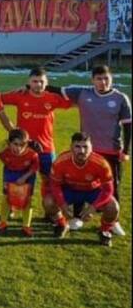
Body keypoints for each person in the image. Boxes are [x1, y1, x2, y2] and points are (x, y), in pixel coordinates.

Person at [53, 65, 130, 231]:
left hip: (110, 150)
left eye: (106, 79)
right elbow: (58, 90)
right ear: (92, 80)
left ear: (112, 79)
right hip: (86, 149)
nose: (103, 82)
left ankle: (112, 221)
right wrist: (30, 87)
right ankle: (77, 217)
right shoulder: (82, 92)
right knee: (80, 182)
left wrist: (126, 151)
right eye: (99, 79)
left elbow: (128, 126)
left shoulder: (120, 98)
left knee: (113, 186)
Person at [1, 67, 72, 219]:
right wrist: (11, 127)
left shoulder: (52, 98)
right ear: (29, 82)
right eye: (34, 81)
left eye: (41, 82)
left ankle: (50, 210)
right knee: (16, 178)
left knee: (48, 180)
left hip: (46, 149)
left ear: (46, 83)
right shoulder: (20, 96)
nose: (38, 85)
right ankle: (11, 207)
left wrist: (54, 89)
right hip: (23, 149)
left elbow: (72, 101)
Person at [48, 132, 121, 247]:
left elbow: (108, 190)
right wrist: (62, 204)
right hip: (70, 191)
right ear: (71, 147)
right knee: (48, 202)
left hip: (92, 191)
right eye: (77, 147)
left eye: (85, 147)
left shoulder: (101, 163)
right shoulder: (60, 161)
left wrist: (93, 207)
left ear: (91, 148)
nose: (82, 151)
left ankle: (104, 231)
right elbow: (54, 185)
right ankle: (62, 224)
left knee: (113, 207)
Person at [0, 129, 39, 237]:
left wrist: (24, 177)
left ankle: (26, 226)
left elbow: (36, 167)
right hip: (10, 172)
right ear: (9, 142)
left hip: (27, 174)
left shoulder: (32, 153)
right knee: (6, 197)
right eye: (15, 144)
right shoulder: (3, 151)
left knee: (27, 199)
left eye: (22, 145)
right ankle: (3, 223)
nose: (18, 148)